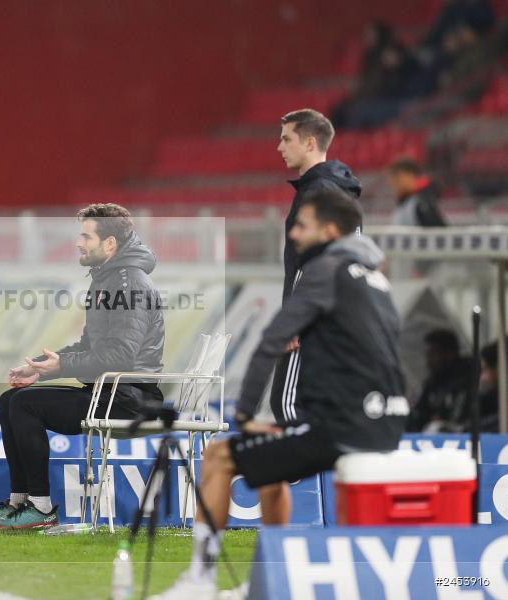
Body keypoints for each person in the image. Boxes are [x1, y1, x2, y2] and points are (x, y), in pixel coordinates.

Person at [152, 190, 406, 599]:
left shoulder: (325, 270)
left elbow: (272, 341)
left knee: (219, 455)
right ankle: (272, 581)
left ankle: (198, 582)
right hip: (386, 422)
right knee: (271, 473)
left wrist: (243, 415)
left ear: (330, 230)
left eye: (302, 225)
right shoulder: (375, 278)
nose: (294, 234)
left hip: (342, 425)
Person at [0, 203, 165, 530]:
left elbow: (121, 356)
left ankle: (41, 508)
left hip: (130, 400)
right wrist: (42, 367)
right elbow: (89, 346)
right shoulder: (108, 280)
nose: (78, 243)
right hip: (110, 393)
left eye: (86, 237)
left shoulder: (129, 284)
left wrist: (62, 366)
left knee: (25, 404)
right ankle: (19, 502)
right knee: (9, 400)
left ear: (110, 244)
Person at [262, 108, 362, 529]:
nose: (279, 147)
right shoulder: (338, 189)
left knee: (287, 404)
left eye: (286, 138)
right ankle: (333, 505)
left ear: (309, 142)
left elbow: (315, 261)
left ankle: (307, 508)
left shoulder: (318, 190)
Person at [406, 329, 478, 433]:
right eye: (427, 355)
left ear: (449, 354)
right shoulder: (432, 383)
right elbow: (420, 412)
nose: (428, 361)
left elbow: (459, 418)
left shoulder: (467, 380)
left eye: (432, 355)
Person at [388, 157, 447, 228]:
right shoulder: (405, 202)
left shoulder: (422, 203)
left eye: (397, 178)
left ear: (410, 175)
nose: (393, 183)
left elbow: (438, 231)